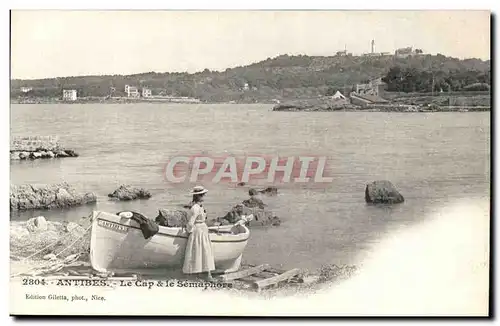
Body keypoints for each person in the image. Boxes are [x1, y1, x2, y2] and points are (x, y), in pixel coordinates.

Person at [182, 185, 215, 281]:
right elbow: (191, 222)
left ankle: (204, 273)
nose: (204, 196)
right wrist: (189, 230)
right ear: (199, 196)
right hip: (198, 230)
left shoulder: (198, 206)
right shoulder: (195, 208)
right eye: (203, 195)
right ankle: (205, 274)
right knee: (201, 250)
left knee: (201, 250)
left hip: (201, 229)